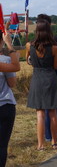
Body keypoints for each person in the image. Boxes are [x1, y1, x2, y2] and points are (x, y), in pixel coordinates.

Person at [26, 19, 57, 150]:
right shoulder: (54, 48)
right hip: (51, 79)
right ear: (49, 31)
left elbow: (28, 62)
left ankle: (40, 145)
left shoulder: (29, 46)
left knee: (40, 114)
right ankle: (54, 142)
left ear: (36, 31)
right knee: (52, 112)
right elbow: (56, 66)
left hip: (37, 79)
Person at [36, 14, 57, 143]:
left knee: (44, 109)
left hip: (39, 79)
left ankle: (47, 136)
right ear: (49, 25)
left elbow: (30, 61)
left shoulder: (33, 44)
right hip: (55, 77)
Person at [0, 29, 20, 167]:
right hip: (4, 105)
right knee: (1, 146)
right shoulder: (4, 60)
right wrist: (10, 45)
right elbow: (12, 82)